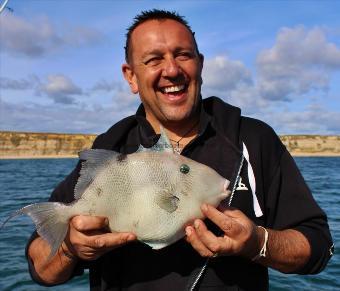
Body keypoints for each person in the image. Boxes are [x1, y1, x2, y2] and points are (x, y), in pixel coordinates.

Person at [26, 9, 333, 290]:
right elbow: (41, 269)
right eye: (154, 59)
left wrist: (257, 243)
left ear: (200, 63)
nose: (172, 70)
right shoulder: (110, 147)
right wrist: (69, 247)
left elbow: (318, 247)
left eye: (183, 55)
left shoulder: (252, 139)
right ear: (130, 76)